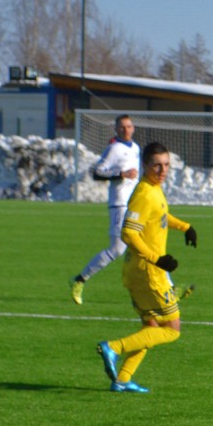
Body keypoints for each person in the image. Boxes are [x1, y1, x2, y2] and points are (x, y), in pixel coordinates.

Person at [94, 143, 198, 393]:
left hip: (137, 271)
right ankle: (114, 347)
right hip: (149, 273)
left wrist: (185, 227)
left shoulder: (154, 189)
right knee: (172, 330)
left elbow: (160, 216)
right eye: (157, 165)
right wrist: (157, 259)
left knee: (150, 328)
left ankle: (122, 379)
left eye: (166, 165)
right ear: (145, 166)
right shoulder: (144, 193)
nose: (163, 170)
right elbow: (129, 233)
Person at [69, 114, 140, 304]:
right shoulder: (114, 149)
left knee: (147, 244)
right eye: (122, 127)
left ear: (133, 128)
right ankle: (80, 280)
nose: (126, 130)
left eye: (129, 126)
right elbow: (97, 172)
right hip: (119, 204)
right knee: (117, 249)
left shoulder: (135, 148)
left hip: (134, 204)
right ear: (116, 129)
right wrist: (121, 174)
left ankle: (168, 289)